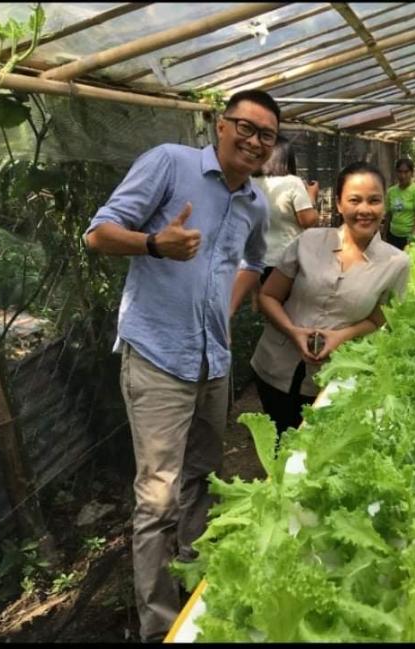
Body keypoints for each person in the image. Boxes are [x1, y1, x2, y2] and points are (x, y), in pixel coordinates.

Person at [83, 89, 280, 643]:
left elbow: (255, 260)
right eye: (246, 126)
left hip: (211, 359)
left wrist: (227, 305)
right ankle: (158, 628)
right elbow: (97, 233)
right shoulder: (169, 162)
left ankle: (197, 586)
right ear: (221, 125)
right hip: (158, 355)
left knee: (204, 478)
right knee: (158, 497)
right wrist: (153, 243)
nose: (254, 140)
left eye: (266, 135)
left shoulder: (255, 202)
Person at [249, 161, 410, 435]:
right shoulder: (309, 241)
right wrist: (292, 331)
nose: (364, 210)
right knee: (279, 448)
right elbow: (268, 296)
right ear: (339, 204)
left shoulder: (397, 262)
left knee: (315, 456)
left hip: (335, 379)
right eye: (354, 200)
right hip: (275, 366)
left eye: (374, 200)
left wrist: (341, 336)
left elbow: (377, 318)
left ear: (384, 204)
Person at [229, 136, 319, 315]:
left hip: (256, 259)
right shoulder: (292, 182)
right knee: (287, 308)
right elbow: (307, 220)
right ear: (286, 158)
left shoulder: (250, 183)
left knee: (266, 304)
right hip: (286, 259)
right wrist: (312, 197)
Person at [384, 157, 415, 250]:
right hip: (393, 236)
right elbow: (388, 215)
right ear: (396, 173)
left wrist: (413, 235)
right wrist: (384, 234)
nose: (402, 175)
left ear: (411, 173)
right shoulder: (391, 191)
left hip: (408, 237)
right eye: (399, 172)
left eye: (406, 172)